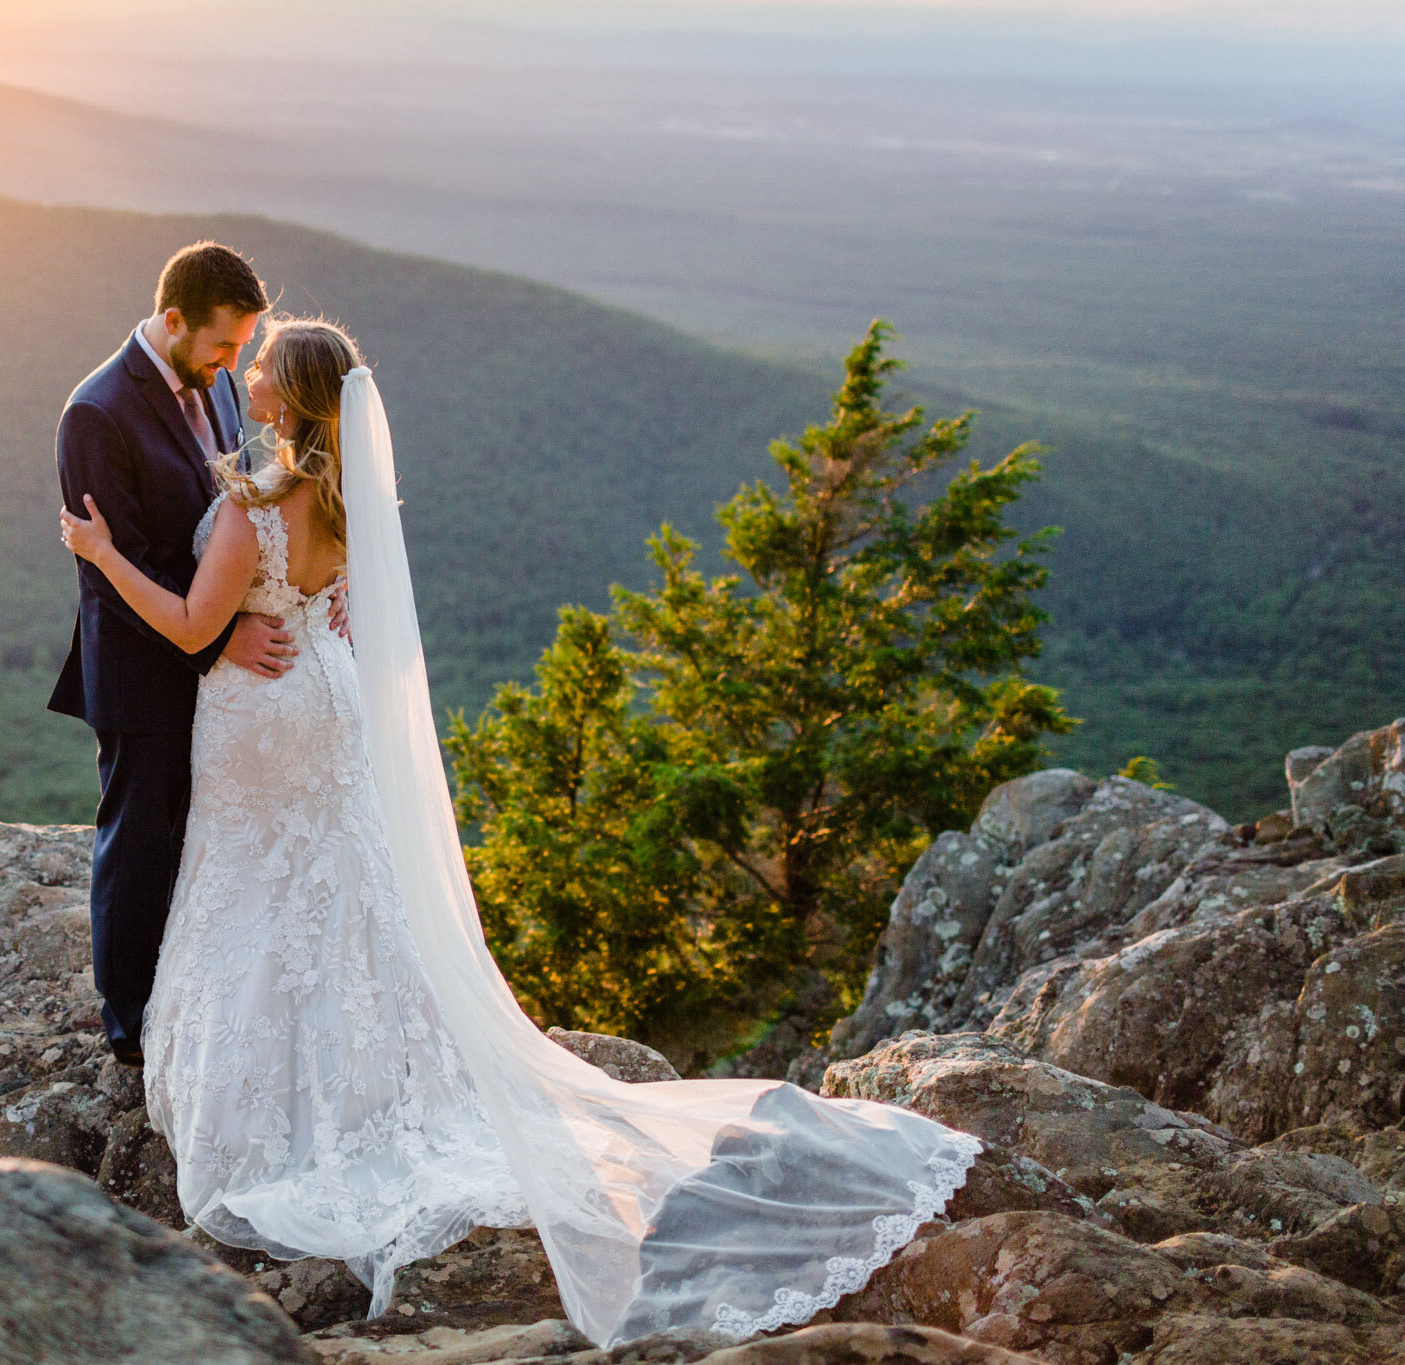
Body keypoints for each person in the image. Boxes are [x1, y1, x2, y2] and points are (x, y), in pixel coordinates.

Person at [60, 316, 983, 1347]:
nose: (252, 372)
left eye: (266, 365)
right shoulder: (344, 498)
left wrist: (101, 554)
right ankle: (375, 1077)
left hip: (261, 718)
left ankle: (288, 1100)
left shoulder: (254, 508)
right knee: (340, 876)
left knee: (257, 878)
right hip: (327, 702)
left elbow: (190, 627)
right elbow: (353, 604)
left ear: (291, 395)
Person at [48, 241, 285, 1067]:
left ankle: (185, 997)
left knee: (198, 833)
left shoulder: (211, 382)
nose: (232, 366)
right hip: (143, 667)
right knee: (140, 840)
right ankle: (129, 1030)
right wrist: (222, 636)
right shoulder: (97, 412)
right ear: (175, 320)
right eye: (224, 345)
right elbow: (119, 565)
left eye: (242, 349)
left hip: (205, 655)